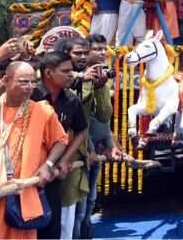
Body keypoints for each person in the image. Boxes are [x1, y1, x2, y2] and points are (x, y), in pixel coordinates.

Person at [0, 61, 69, 240]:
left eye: (32, 82)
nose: (30, 87)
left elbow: (61, 140)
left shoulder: (42, 111)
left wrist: (48, 164)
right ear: (5, 80)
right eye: (23, 82)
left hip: (22, 194)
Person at [31, 52, 88, 240]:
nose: (71, 75)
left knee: (51, 227)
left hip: (52, 174)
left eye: (72, 71)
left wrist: (64, 160)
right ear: (48, 73)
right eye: (66, 71)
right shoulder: (30, 95)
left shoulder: (72, 100)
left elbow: (81, 130)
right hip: (26, 173)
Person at [72, 34, 115, 239]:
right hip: (75, 151)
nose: (102, 53)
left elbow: (104, 116)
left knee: (90, 200)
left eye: (104, 49)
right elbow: (79, 119)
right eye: (96, 49)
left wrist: (100, 88)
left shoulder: (101, 77)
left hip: (93, 148)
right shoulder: (74, 77)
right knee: (77, 207)